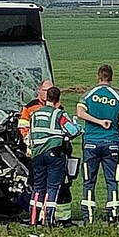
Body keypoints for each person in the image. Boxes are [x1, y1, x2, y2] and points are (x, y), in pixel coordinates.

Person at [76, 64, 119, 224]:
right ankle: (113, 216)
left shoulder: (88, 95)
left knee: (89, 180)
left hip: (91, 143)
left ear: (98, 76)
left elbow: (80, 113)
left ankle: (89, 218)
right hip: (112, 142)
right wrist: (113, 127)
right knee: (112, 180)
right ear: (111, 77)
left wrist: (98, 122)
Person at [18, 79, 74, 222]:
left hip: (42, 152)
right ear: (39, 91)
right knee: (46, 186)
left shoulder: (59, 108)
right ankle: (45, 218)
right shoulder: (30, 107)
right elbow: (23, 128)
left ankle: (38, 219)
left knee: (44, 186)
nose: (48, 93)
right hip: (43, 152)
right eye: (45, 90)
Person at [27, 86, 81, 227]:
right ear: (58, 100)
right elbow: (73, 131)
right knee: (53, 187)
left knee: (37, 187)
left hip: (37, 154)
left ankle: (33, 220)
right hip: (54, 154)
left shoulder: (35, 114)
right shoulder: (59, 114)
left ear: (46, 98)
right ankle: (49, 220)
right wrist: (77, 126)